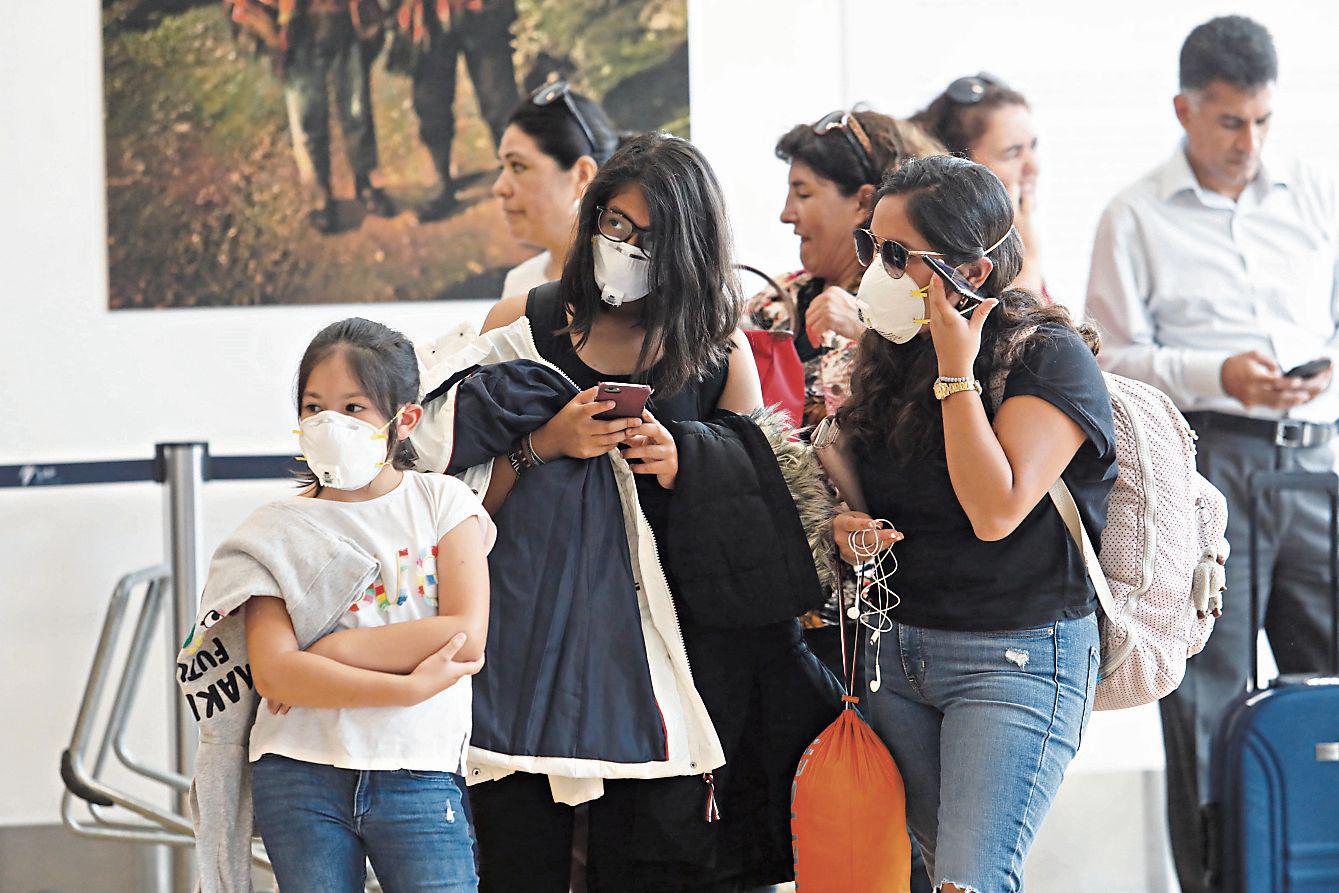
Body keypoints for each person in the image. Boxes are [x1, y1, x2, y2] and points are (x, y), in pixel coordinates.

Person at [466, 132, 842, 891]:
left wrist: (683, 459)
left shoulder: (713, 347)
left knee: (653, 857)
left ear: (689, 243)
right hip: (531, 646)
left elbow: (762, 499)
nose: (626, 247)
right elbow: (458, 498)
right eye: (614, 225)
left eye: (650, 235)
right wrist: (545, 441)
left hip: (669, 662)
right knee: (519, 851)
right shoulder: (521, 324)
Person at [1084, 16, 1339, 892]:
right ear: (1184, 110)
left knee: (1331, 680)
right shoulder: (1133, 214)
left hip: (1312, 464)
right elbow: (1107, 358)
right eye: (1230, 122)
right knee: (1200, 696)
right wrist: (1217, 371)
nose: (1248, 142)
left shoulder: (1311, 192)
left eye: (1262, 120)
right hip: (1205, 468)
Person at [828, 154, 1115, 893]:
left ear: (972, 273)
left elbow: (994, 510)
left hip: (1015, 657)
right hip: (898, 652)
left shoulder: (1046, 358)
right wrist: (850, 525)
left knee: (971, 879)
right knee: (930, 873)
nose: (875, 271)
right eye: (869, 246)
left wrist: (956, 372)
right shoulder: (889, 355)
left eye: (897, 256)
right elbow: (888, 502)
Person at [181, 317, 496, 892]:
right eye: (314, 406)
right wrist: (406, 686)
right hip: (299, 774)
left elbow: (464, 635)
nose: (330, 423)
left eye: (354, 407)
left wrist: (331, 649)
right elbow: (278, 674)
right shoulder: (274, 530)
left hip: (418, 771)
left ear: (404, 419)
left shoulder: (443, 503)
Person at [750, 109, 927, 430]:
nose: (786, 214)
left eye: (803, 194)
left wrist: (869, 332)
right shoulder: (774, 299)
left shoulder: (916, 305)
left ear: (863, 203)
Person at [226, 0, 398, 234]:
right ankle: (319, 196)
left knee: (356, 110)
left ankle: (365, 182)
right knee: (307, 117)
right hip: (296, 31)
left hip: (347, 22)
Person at [912, 74, 1044, 295]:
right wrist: (1028, 258)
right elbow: (1015, 325)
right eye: (1012, 153)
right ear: (960, 165)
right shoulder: (948, 262)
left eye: (1032, 146)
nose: (1033, 167)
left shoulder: (1010, 240)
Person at [390, 0, 521, 221]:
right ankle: (441, 185)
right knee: (431, 104)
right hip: (428, 15)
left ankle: (518, 182)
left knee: (500, 101)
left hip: (483, 10)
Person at [492, 82, 620, 299]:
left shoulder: (625, 289)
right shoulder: (518, 284)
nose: (499, 188)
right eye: (502, 167)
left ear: (582, 175)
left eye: (518, 166)